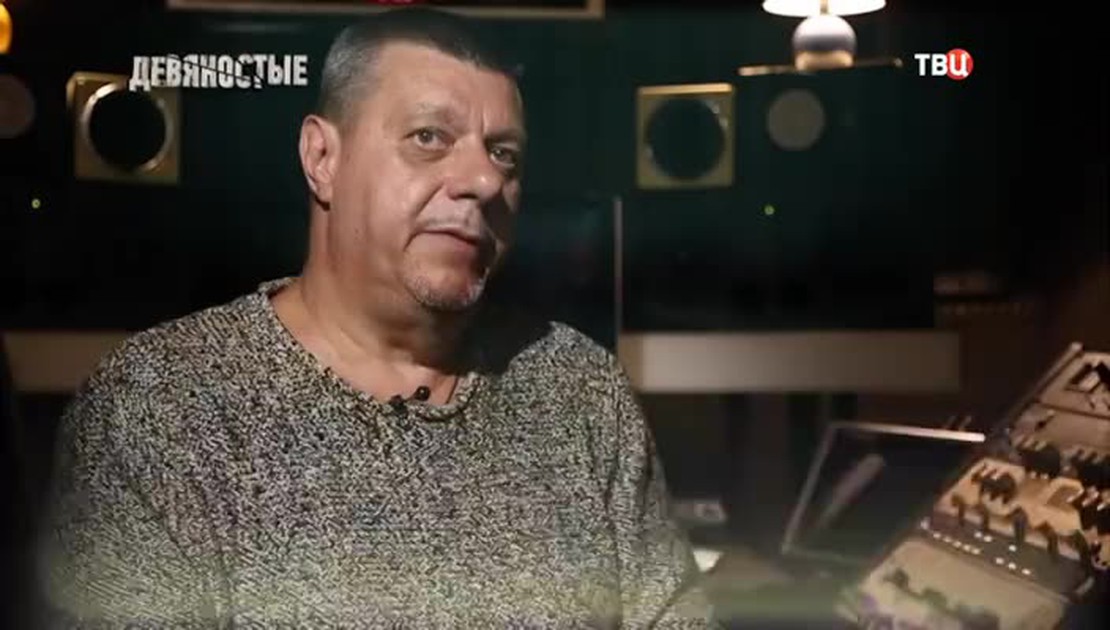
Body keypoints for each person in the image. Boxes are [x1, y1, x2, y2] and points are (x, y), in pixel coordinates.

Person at [34, 7, 717, 628]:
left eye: (503, 153)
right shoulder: (159, 410)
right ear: (322, 158)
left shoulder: (581, 393)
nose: (483, 180)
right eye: (429, 137)